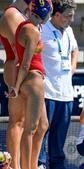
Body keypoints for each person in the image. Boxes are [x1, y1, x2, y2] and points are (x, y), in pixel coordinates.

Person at [6, 0, 53, 169]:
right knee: (30, 129)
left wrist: (16, 86)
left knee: (43, 125)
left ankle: (30, 165)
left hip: (28, 79)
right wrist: (16, 87)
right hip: (33, 81)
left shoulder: (22, 26)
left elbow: (18, 59)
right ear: (44, 13)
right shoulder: (32, 30)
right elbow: (25, 64)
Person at [37, 0, 78, 168]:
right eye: (68, 16)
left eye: (72, 16)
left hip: (66, 94)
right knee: (42, 133)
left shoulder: (69, 30)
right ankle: (39, 164)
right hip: (47, 91)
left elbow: (75, 49)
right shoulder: (42, 29)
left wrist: (73, 65)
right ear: (57, 15)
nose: (71, 20)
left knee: (59, 138)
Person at [0, 0, 30, 168]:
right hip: (17, 68)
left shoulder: (24, 13)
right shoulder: (12, 14)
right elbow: (18, 50)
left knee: (29, 123)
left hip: (24, 69)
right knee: (18, 121)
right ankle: (15, 165)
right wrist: (17, 83)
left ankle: (25, 164)